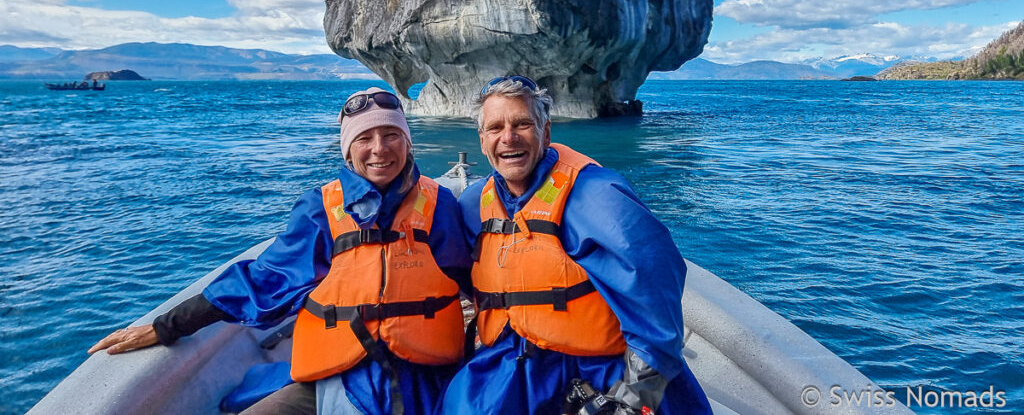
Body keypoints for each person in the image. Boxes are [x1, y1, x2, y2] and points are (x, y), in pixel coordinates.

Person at [89, 87, 471, 415]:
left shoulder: (440, 207)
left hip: (424, 372)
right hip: (338, 374)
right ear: (347, 150)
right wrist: (166, 326)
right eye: (364, 138)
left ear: (408, 142)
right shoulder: (320, 209)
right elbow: (264, 282)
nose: (379, 150)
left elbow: (474, 276)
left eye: (391, 135)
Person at [440, 76, 712, 415]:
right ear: (482, 140)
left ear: (546, 132)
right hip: (517, 359)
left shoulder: (596, 195)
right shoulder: (472, 203)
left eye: (522, 124)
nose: (508, 137)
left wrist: (636, 392)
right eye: (495, 127)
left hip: (597, 365)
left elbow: (657, 285)